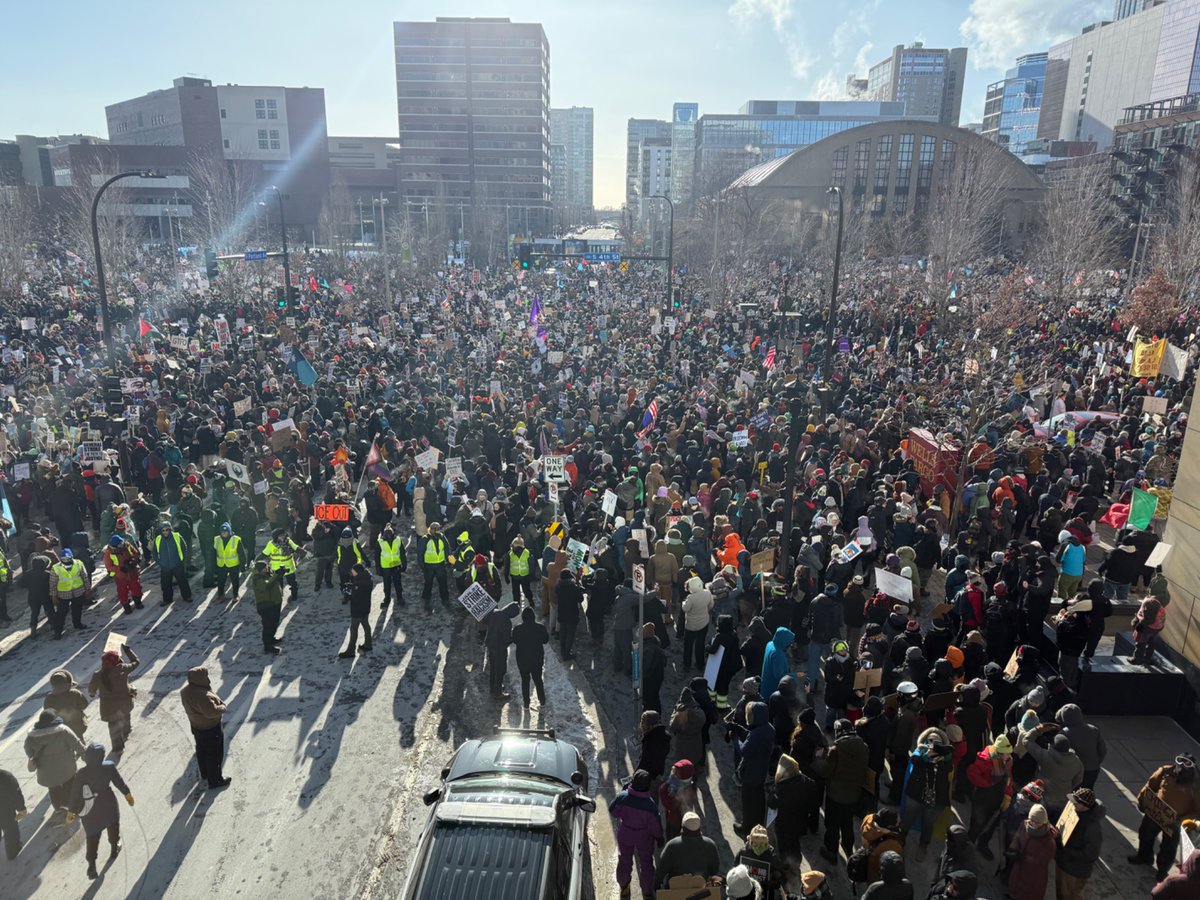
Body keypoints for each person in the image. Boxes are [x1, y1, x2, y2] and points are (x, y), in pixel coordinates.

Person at [67, 742, 133, 879]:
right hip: (108, 802)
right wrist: (127, 794)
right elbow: (119, 782)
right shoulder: (109, 766)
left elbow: (75, 794)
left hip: (90, 809)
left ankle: (92, 864)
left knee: (92, 836)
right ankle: (114, 848)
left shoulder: (81, 773)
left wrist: (71, 812)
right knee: (113, 824)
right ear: (102, 756)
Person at [1130, 753, 1200, 881]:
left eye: (1187, 763)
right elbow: (1150, 785)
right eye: (1180, 761)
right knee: (1145, 835)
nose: (1182, 765)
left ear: (1193, 767)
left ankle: (1162, 871)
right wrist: (1142, 799)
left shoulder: (1196, 785)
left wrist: (1182, 819)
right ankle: (1144, 857)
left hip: (1175, 822)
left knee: (1168, 848)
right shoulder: (1165, 771)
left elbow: (1198, 810)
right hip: (1155, 813)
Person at [899, 727, 954, 860]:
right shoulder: (920, 751)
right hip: (916, 794)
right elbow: (914, 760)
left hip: (936, 798)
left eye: (937, 742)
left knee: (928, 824)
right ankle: (900, 842)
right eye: (930, 740)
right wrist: (926, 756)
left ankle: (923, 846)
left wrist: (945, 756)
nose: (933, 744)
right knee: (907, 819)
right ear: (925, 741)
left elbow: (949, 769)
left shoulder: (944, 756)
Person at [820, 718, 869, 863]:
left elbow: (826, 772)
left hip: (835, 796)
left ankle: (831, 852)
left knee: (832, 825)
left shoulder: (835, 750)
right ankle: (848, 846)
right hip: (854, 795)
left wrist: (821, 758)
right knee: (847, 822)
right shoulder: (864, 747)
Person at [609, 769, 661, 900]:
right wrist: (659, 837)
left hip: (625, 833)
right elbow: (655, 826)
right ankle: (647, 892)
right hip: (644, 837)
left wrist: (624, 792)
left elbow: (613, 811)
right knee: (646, 863)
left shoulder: (623, 797)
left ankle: (624, 887)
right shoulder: (650, 805)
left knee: (624, 860)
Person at [180, 667, 231, 789]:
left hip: (196, 726)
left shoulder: (185, 691)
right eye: (206, 676)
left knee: (202, 751)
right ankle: (215, 780)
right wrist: (223, 707)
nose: (208, 679)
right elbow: (211, 712)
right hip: (210, 728)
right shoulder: (203, 695)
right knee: (214, 755)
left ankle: (205, 773)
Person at [24, 710, 83, 810]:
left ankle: (58, 809)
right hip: (66, 768)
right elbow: (78, 745)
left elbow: (28, 751)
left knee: (53, 787)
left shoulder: (31, 737)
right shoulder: (63, 730)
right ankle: (68, 805)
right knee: (69, 782)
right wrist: (86, 756)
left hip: (46, 772)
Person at [87, 644, 140, 752]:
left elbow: (91, 691)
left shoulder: (98, 675)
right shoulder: (123, 668)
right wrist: (128, 650)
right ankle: (126, 732)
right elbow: (136, 661)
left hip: (108, 708)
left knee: (113, 726)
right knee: (126, 716)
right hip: (124, 702)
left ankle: (118, 748)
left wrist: (92, 693)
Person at [1054, 786, 1105, 900]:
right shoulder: (1075, 811)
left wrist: (1065, 849)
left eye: (1076, 802)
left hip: (1074, 871)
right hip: (1063, 863)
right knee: (1061, 894)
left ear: (1085, 806)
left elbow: (1090, 855)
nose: (1072, 803)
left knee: (1070, 896)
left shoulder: (1092, 828)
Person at [733, 701, 774, 835]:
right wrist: (744, 731)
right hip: (761, 770)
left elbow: (743, 750)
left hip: (751, 772)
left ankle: (746, 827)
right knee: (758, 799)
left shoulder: (756, 734)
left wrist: (735, 738)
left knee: (748, 802)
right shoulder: (769, 728)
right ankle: (759, 823)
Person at [657, 811, 720, 888]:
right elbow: (714, 870)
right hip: (701, 888)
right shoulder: (710, 845)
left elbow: (661, 870)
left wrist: (656, 885)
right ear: (699, 828)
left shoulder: (672, 845)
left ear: (683, 828)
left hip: (675, 888)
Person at [1007, 803, 1057, 900]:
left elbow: (1043, 860)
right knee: (1015, 887)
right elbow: (1017, 837)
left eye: (1038, 822)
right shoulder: (1024, 825)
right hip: (1019, 868)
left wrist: (1024, 858)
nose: (1034, 824)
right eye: (1032, 821)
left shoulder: (1048, 841)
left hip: (1034, 875)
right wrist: (1014, 849)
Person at [1055, 704, 1106, 789]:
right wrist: (1096, 762)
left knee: (1073, 793)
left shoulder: (1064, 733)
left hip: (1073, 770)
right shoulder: (1094, 729)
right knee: (1088, 792)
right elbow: (1103, 750)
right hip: (1092, 769)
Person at [511, 606, 549, 708]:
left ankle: (526, 702)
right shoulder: (540, 627)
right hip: (537, 659)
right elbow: (545, 640)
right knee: (538, 680)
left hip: (522, 659)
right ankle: (542, 700)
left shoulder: (517, 629)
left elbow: (514, 640)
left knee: (525, 681)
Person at [483, 601, 520, 699]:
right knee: (500, 670)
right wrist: (514, 636)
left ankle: (493, 687)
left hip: (490, 644)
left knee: (493, 667)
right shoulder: (507, 621)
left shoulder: (494, 612)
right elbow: (507, 639)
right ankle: (498, 692)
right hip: (499, 648)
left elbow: (485, 620)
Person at [737, 824, 786, 898]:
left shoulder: (772, 857)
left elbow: (783, 879)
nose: (759, 847)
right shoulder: (743, 852)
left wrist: (769, 885)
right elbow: (734, 869)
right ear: (750, 841)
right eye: (755, 844)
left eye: (762, 844)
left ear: (767, 843)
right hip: (745, 892)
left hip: (764, 894)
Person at [338, 563, 374, 658]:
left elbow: (355, 595)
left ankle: (350, 651)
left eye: (353, 571)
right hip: (366, 607)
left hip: (358, 609)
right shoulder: (367, 579)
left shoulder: (359, 583)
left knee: (353, 629)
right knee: (366, 625)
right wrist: (353, 586)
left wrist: (349, 591)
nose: (352, 573)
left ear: (358, 572)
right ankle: (368, 644)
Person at [50, 547, 91, 631]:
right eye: (64, 559)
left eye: (68, 558)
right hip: (63, 594)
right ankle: (58, 630)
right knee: (61, 613)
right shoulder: (56, 567)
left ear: (72, 557)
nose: (66, 560)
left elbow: (85, 576)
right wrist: (54, 596)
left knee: (77, 610)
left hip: (78, 591)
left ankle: (77, 624)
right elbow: (53, 583)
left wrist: (87, 589)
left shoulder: (78, 563)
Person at [251, 559, 285, 655]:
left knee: (274, 624)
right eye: (265, 568)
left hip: (274, 603)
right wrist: (276, 575)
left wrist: (279, 574)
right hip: (266, 606)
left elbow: (274, 582)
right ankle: (267, 646)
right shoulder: (257, 578)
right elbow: (267, 586)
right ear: (260, 569)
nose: (267, 568)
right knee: (268, 626)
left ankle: (271, 639)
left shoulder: (268, 574)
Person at [659, 759, 697, 841]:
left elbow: (667, 804)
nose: (673, 773)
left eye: (676, 772)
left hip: (675, 821)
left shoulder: (682, 793)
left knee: (672, 835)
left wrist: (665, 786)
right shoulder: (687, 785)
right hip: (676, 817)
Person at [681, 576, 714, 672]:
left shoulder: (690, 598)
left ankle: (687, 664)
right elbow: (711, 605)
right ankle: (700, 664)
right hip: (703, 623)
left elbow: (685, 609)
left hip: (691, 625)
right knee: (700, 644)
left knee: (688, 646)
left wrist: (683, 603)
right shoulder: (707, 593)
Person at [44, 668, 89, 739]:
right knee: (79, 741)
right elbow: (84, 705)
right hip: (78, 725)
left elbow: (47, 714)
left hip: (60, 729)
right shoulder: (75, 693)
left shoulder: (49, 698)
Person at [103, 535, 143, 614]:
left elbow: (135, 553)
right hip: (120, 576)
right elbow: (109, 566)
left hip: (132, 571)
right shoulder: (109, 552)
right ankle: (126, 606)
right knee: (122, 591)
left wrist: (133, 561)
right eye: (120, 544)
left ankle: (138, 602)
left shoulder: (126, 545)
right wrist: (120, 569)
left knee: (136, 587)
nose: (122, 544)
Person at [261, 527, 301, 602]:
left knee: (292, 582)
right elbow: (264, 553)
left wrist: (303, 552)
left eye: (283, 535)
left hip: (289, 567)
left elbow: (296, 548)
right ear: (276, 537)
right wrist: (257, 559)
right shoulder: (270, 544)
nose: (283, 537)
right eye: (280, 536)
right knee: (278, 584)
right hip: (277, 568)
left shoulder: (288, 541)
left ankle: (294, 595)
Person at [420, 522, 451, 611]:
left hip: (440, 564)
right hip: (429, 566)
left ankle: (445, 599)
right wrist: (422, 565)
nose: (438, 531)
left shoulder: (442, 537)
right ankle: (426, 599)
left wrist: (450, 561)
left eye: (439, 529)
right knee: (428, 583)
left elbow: (447, 549)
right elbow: (420, 553)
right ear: (431, 530)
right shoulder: (425, 539)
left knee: (443, 583)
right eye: (436, 529)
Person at [213, 522, 247, 602]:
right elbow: (214, 553)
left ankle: (235, 595)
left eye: (226, 532)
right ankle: (220, 595)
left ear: (229, 531)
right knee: (221, 581)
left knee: (235, 581)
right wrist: (214, 565)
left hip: (233, 564)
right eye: (222, 532)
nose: (224, 534)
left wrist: (242, 566)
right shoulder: (217, 539)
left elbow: (242, 554)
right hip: (221, 564)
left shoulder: (236, 539)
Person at [760, 626, 796, 700]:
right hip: (773, 690)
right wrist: (793, 675)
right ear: (784, 642)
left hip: (766, 684)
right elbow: (779, 676)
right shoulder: (778, 654)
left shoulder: (770, 644)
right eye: (789, 642)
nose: (791, 644)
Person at [376, 523, 407, 607]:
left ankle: (400, 598)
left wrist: (404, 564)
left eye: (390, 533)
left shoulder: (398, 540)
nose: (388, 535)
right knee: (387, 584)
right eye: (387, 533)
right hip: (386, 567)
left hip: (396, 565)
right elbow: (377, 556)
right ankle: (387, 598)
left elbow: (402, 553)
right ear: (384, 534)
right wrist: (378, 568)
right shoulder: (380, 542)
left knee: (398, 583)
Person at [556, 569, 583, 660]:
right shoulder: (574, 588)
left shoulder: (558, 587)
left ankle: (562, 650)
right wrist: (578, 587)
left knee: (563, 633)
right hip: (572, 614)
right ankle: (567, 654)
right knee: (570, 634)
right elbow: (581, 599)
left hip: (562, 612)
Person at [0, 767, 26, 861]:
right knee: (10, 830)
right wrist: (21, 808)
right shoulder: (5, 777)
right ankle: (13, 851)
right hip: (5, 810)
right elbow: (16, 794)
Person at [637, 710, 671, 780]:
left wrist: (637, 774)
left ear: (650, 725)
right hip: (659, 770)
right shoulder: (665, 735)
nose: (641, 724)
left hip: (647, 774)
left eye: (643, 721)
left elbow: (645, 761)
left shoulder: (649, 739)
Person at [641, 623, 667, 713]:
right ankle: (657, 713)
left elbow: (645, 667)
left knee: (649, 699)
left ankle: (650, 715)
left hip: (650, 678)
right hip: (658, 676)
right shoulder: (656, 644)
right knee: (655, 696)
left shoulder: (648, 649)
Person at [505, 534, 536, 606]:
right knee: (518, 592)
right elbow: (507, 564)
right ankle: (519, 604)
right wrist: (506, 575)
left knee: (525, 591)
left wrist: (506, 575)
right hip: (518, 576)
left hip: (522, 576)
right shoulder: (511, 553)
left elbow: (532, 565)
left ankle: (529, 601)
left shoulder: (526, 553)